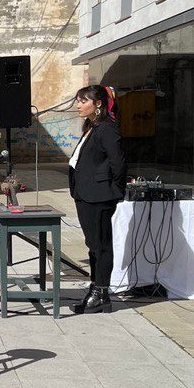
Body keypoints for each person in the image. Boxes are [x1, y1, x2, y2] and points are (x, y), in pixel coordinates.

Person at [69, 84, 126, 314]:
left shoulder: (107, 129)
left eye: (83, 100)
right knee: (93, 245)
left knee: (101, 245)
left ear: (98, 103)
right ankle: (96, 288)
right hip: (85, 195)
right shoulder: (92, 127)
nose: (78, 105)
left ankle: (101, 293)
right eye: (78, 100)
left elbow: (119, 162)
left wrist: (115, 189)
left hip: (99, 196)